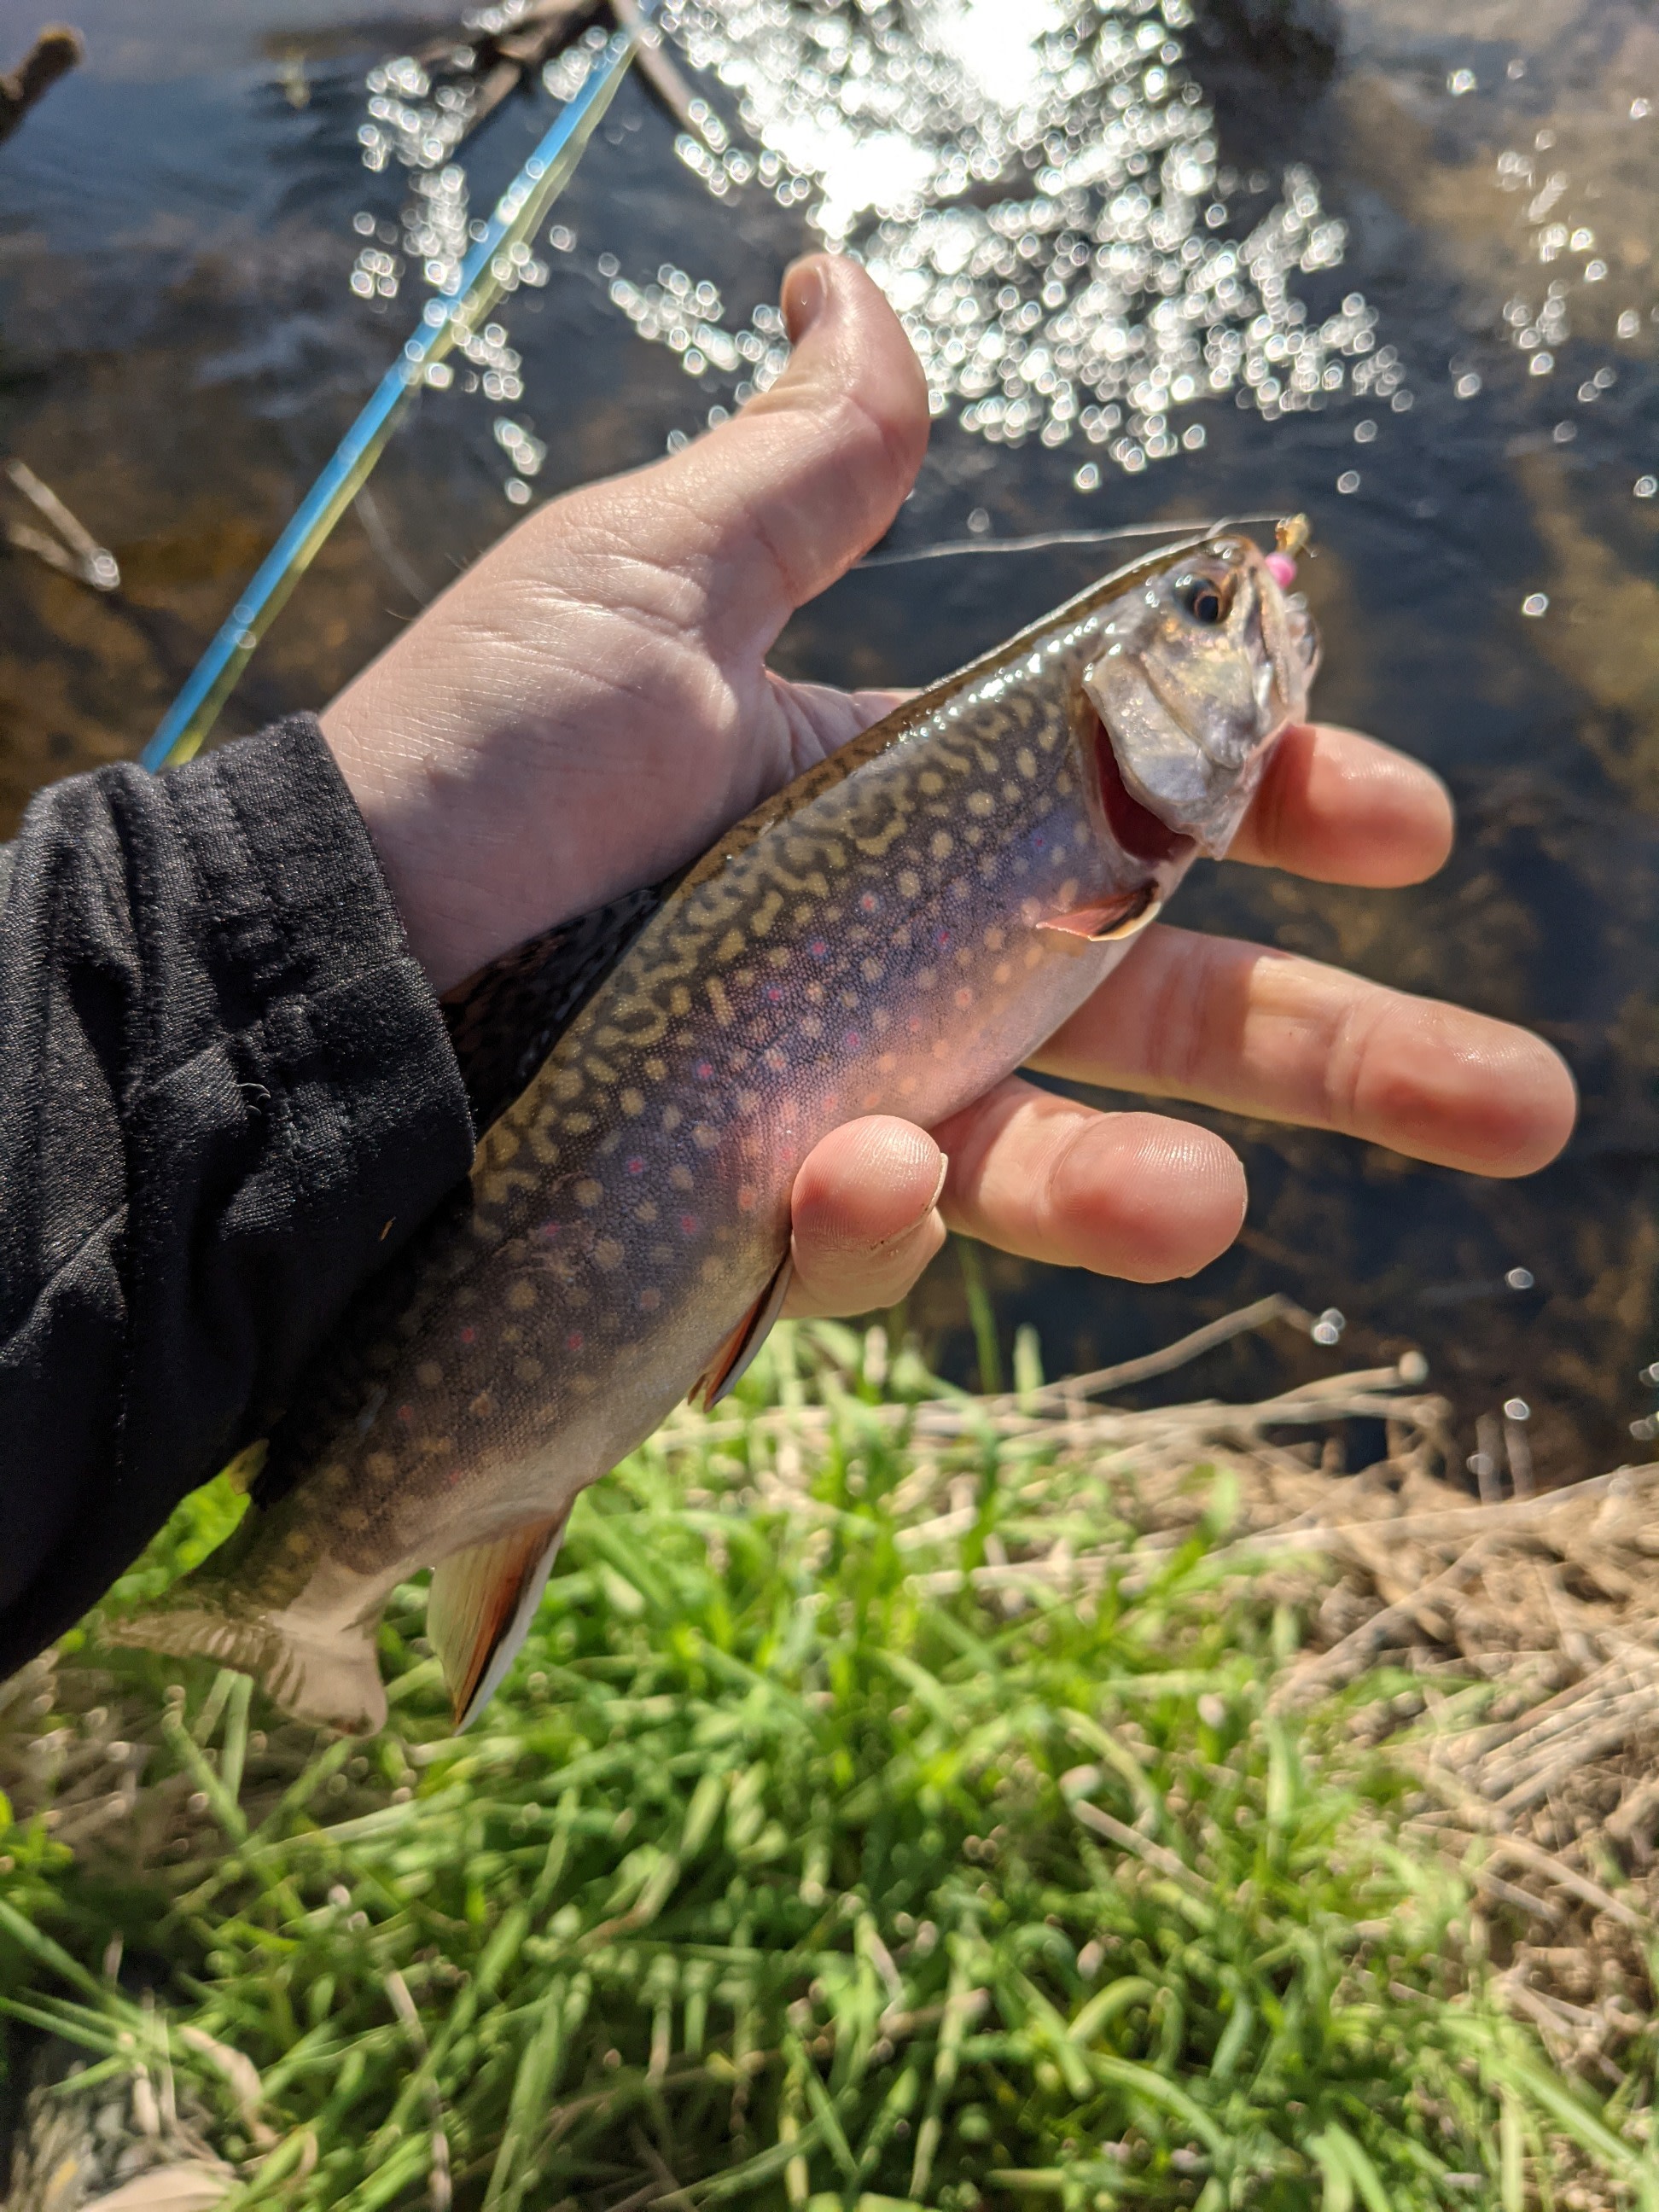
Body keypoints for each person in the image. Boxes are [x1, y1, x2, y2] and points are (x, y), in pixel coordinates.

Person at [0, 256, 1576, 1678]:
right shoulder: (1097, 844)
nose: (1250, 627)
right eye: (1214, 613)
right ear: (1111, 717)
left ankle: (298, 1577)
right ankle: (292, 1593)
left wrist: (220, 988)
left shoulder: (1094, 826)